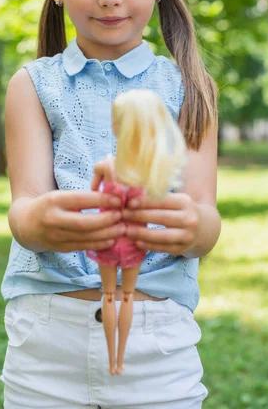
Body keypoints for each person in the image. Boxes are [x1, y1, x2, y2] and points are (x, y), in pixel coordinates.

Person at [0, 0, 220, 409]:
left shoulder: (190, 87)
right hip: (47, 340)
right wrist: (41, 219)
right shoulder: (32, 85)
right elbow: (24, 207)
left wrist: (194, 227)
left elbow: (206, 219)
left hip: (158, 343)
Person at [86, 90, 187, 376]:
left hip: (108, 238)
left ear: (118, 126)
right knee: (126, 296)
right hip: (133, 240)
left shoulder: (105, 167)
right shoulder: (147, 171)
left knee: (108, 296)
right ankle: (118, 361)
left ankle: (111, 360)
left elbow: (94, 196)